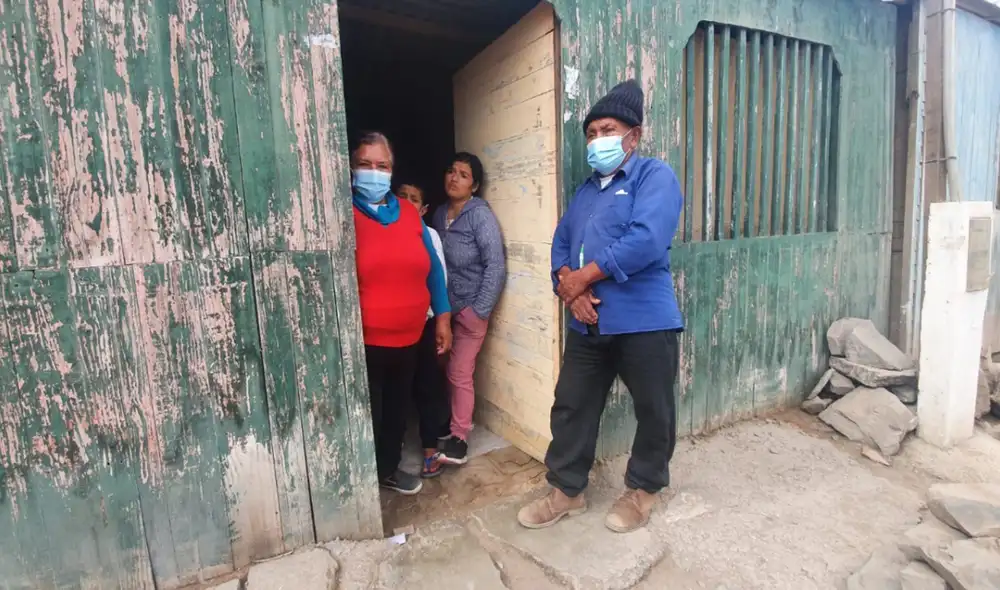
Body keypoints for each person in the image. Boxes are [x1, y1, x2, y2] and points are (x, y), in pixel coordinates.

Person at [517, 80, 684, 533]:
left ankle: (644, 491)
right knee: (571, 404)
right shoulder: (586, 190)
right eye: (590, 133)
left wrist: (583, 278)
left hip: (644, 320)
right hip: (588, 322)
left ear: (634, 135)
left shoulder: (655, 177)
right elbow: (562, 244)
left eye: (606, 129)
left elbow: (647, 240)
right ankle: (567, 492)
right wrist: (568, 291)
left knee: (653, 408)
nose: (597, 140)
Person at [351, 132, 452, 495]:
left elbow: (433, 271)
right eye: (365, 164)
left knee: (396, 410)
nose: (373, 172)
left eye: (381, 165)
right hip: (362, 342)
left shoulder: (408, 213)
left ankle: (387, 470)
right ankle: (357, 482)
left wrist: (442, 318)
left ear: (392, 171)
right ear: (351, 167)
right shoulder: (342, 215)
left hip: (409, 337)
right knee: (367, 414)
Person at [432, 152, 506, 466]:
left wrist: (480, 310)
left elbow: (496, 265)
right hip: (444, 309)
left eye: (463, 174)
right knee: (441, 370)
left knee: (460, 372)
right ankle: (447, 425)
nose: (454, 178)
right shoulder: (438, 214)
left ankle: (460, 436)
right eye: (451, 170)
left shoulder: (479, 215)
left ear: (474, 185)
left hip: (470, 310)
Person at [398, 182, 451, 478]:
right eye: (402, 196)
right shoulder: (382, 228)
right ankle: (392, 451)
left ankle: (431, 452)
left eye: (414, 198)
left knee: (428, 386)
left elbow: (438, 278)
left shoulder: (429, 235)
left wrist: (441, 321)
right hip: (391, 324)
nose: (406, 202)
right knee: (396, 390)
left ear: (424, 209)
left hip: (425, 322)